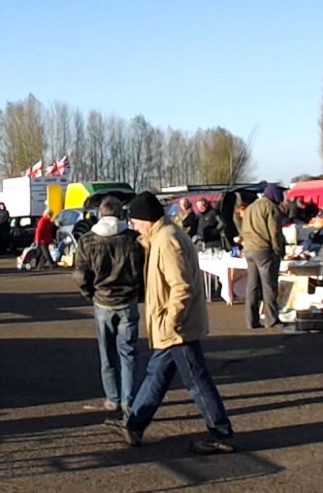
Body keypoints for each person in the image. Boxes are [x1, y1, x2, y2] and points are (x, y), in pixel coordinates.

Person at [106, 191, 235, 455]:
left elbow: (181, 286)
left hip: (178, 327)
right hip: (173, 326)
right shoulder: (163, 236)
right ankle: (134, 425)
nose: (133, 226)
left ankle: (220, 432)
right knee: (157, 374)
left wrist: (171, 321)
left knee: (196, 380)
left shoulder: (167, 241)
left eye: (135, 221)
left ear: (146, 219)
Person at [73, 196, 144, 417]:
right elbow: (143, 270)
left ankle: (112, 398)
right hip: (127, 301)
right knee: (128, 354)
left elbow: (80, 274)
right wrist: (139, 294)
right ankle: (128, 401)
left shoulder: (87, 240)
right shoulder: (134, 239)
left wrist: (89, 294)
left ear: (100, 214)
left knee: (107, 354)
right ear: (121, 214)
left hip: (102, 301)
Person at [241, 185, 286, 329]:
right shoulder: (271, 208)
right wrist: (278, 250)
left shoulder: (249, 208)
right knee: (269, 286)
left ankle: (251, 321)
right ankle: (271, 319)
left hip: (249, 249)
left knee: (252, 286)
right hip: (264, 250)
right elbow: (275, 232)